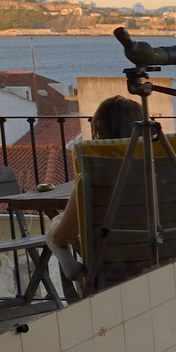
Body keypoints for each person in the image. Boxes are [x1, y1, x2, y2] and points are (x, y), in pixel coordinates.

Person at [45, 95, 141, 251]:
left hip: (111, 267)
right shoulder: (161, 168)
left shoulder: (95, 174)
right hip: (163, 261)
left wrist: (56, 222)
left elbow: (63, 236)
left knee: (53, 233)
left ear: (99, 131)